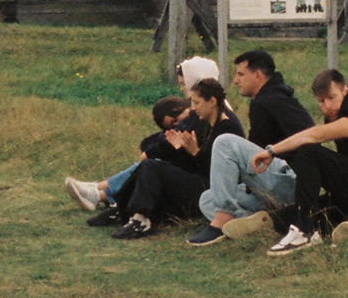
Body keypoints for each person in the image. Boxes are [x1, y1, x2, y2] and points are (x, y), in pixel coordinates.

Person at [253, 67, 348, 256]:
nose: (327, 106)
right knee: (284, 219)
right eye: (321, 101)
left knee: (309, 151)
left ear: (345, 90)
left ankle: (305, 230)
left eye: (331, 97)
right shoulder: (336, 113)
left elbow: (314, 135)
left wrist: (272, 150)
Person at [64, 56, 227, 215]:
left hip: (202, 181)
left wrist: (150, 152)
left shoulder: (205, 112)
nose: (182, 89)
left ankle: (98, 192)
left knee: (151, 164)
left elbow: (175, 140)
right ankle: (99, 191)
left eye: (185, 84)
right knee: (152, 162)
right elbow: (167, 139)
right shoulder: (206, 109)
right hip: (197, 171)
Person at [187, 49, 312, 247]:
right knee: (207, 198)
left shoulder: (268, 101)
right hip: (276, 185)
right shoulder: (272, 98)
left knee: (225, 142)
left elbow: (309, 138)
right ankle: (267, 220)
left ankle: (221, 221)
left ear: (258, 75)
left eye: (240, 74)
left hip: (289, 181)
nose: (236, 80)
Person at [106, 78, 247, 239]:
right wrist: (183, 151)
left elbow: (219, 174)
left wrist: (194, 152)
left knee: (152, 166)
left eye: (197, 103)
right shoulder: (208, 122)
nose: (193, 108)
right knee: (153, 165)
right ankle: (123, 209)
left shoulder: (227, 128)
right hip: (202, 182)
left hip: (212, 192)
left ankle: (138, 219)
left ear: (212, 101)